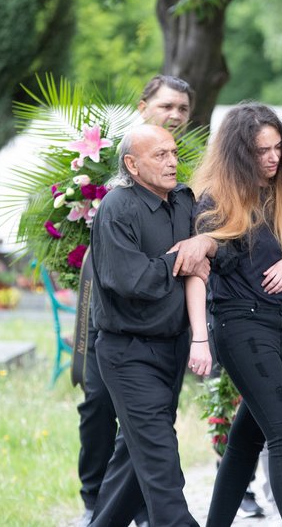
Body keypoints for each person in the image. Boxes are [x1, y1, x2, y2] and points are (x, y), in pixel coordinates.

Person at [186, 102, 282, 527]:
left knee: (246, 437)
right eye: (261, 151)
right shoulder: (215, 199)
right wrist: (200, 337)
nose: (273, 158)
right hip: (243, 324)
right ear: (238, 153)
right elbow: (203, 264)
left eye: (277, 148)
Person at [77, 74, 196, 525]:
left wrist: (200, 248)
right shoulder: (116, 208)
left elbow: (206, 258)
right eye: (160, 155)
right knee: (162, 459)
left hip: (172, 345)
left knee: (137, 455)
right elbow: (135, 281)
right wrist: (181, 257)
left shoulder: (185, 202)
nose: (171, 162)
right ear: (132, 165)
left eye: (173, 153)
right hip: (127, 350)